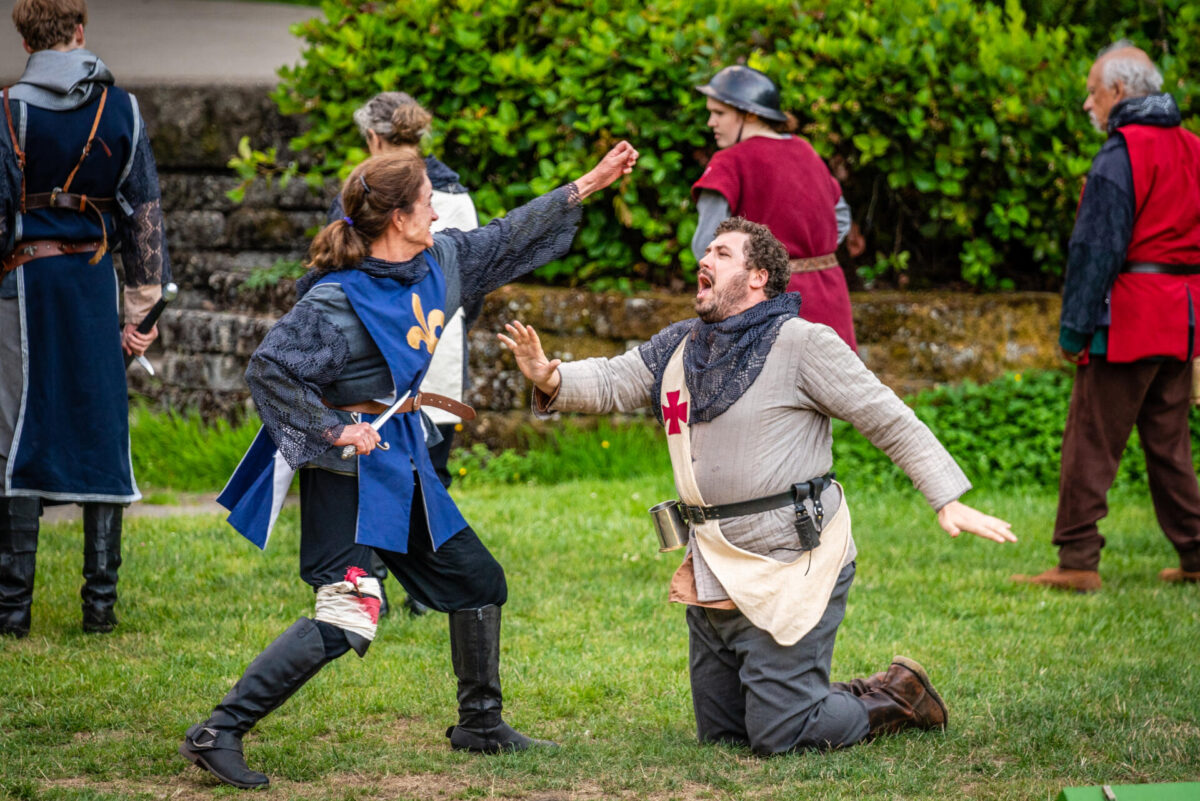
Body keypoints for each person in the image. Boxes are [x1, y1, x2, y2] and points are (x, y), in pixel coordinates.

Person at [180, 143, 638, 789]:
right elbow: (272, 369)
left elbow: (508, 236)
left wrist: (587, 184)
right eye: (426, 201)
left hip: (403, 463)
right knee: (350, 610)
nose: (436, 210)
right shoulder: (336, 301)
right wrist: (335, 426)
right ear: (398, 216)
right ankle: (218, 730)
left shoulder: (442, 261)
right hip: (348, 476)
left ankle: (480, 724)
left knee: (478, 580)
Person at [499, 217, 1014, 754]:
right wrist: (550, 377)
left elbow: (885, 416)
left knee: (781, 735)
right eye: (707, 251)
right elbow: (613, 379)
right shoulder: (680, 345)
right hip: (715, 559)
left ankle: (898, 696)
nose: (705, 259)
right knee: (722, 735)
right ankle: (800, 695)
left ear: (757, 277)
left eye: (722, 253)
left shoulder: (804, 343)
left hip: (791, 557)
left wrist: (945, 497)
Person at [0, 0, 170, 637]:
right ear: (80, 30)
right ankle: (99, 610)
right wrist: (141, 309)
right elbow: (144, 213)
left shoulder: (7, 109)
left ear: (25, 38)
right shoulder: (121, 108)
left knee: (15, 434)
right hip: (96, 284)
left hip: (22, 287)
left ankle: (11, 613)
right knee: (101, 429)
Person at [1012, 43, 1200, 592]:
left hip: (1133, 319)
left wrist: (1074, 329)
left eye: (1093, 92)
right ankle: (1195, 552)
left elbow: (1095, 250)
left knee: (1091, 437)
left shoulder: (1122, 154)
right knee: (1169, 442)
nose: (1088, 103)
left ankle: (1077, 559)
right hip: (1183, 317)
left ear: (1119, 91)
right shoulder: (1193, 147)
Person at [334, 91, 481, 617]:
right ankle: (425, 586)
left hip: (375, 353)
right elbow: (475, 284)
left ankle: (371, 577)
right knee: (430, 474)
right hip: (439, 348)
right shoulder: (457, 197)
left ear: (375, 139)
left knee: (371, 470)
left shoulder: (367, 191)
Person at [691, 65, 858, 351]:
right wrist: (810, 258)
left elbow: (706, 248)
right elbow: (840, 216)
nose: (710, 122)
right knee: (834, 390)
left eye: (719, 113)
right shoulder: (805, 151)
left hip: (764, 306)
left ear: (751, 114)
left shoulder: (729, 162)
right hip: (829, 298)